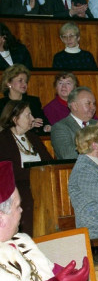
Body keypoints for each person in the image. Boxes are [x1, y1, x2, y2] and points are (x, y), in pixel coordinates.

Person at [0, 100, 52, 235]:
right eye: (28, 115)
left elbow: (49, 163)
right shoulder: (3, 139)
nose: (33, 119)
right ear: (15, 118)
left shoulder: (33, 137)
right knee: (28, 198)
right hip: (17, 188)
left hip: (41, 185)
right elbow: (6, 172)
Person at [51, 87, 98, 159]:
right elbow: (68, 155)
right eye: (88, 103)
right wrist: (95, 138)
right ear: (75, 106)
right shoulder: (60, 127)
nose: (93, 107)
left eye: (94, 104)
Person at [0, 64, 46, 133]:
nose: (24, 84)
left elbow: (43, 122)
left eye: (26, 81)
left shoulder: (33, 101)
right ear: (8, 83)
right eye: (20, 80)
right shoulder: (1, 104)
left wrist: (41, 124)